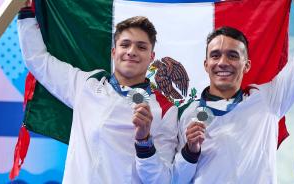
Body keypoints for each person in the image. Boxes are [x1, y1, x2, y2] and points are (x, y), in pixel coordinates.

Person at [17, 2, 178, 184]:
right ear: (113, 52)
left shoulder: (165, 110)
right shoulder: (85, 85)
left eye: (141, 47)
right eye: (125, 45)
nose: (131, 52)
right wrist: (26, 13)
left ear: (151, 56)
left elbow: (162, 180)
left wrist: (144, 142)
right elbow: (38, 60)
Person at [171, 0, 294, 183]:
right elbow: (177, 180)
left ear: (247, 66)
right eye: (215, 55)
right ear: (206, 65)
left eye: (232, 55)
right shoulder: (188, 115)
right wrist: (190, 152)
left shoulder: (268, 99)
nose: (222, 62)